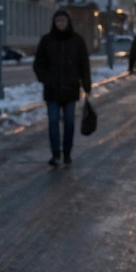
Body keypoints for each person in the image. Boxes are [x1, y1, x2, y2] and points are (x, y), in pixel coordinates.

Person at [33, 9, 92, 166]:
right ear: (54, 22)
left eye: (63, 21)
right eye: (58, 21)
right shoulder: (47, 40)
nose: (61, 23)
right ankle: (55, 154)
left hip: (70, 90)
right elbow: (38, 64)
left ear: (68, 22)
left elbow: (84, 65)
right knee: (53, 122)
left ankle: (66, 153)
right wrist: (46, 79)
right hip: (52, 90)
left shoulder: (77, 41)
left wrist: (86, 84)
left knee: (69, 123)